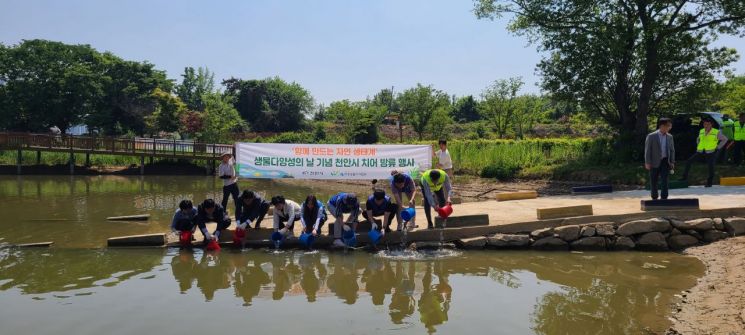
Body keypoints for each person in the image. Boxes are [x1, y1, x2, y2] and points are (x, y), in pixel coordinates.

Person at [680, 118, 728, 187]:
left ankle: (709, 182)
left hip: (711, 151)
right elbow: (698, 138)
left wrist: (718, 147)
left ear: (711, 124)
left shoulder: (716, 132)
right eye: (705, 124)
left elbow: (725, 139)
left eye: (708, 124)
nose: (706, 125)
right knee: (689, 161)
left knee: (710, 167)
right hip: (700, 151)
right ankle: (684, 177)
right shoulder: (701, 130)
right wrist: (698, 145)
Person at [644, 118, 675, 200]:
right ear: (662, 126)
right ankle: (654, 197)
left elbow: (672, 150)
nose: (669, 127)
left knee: (665, 180)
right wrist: (647, 162)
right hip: (654, 161)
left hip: (665, 161)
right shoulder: (651, 136)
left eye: (670, 126)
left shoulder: (670, 137)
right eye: (668, 126)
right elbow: (647, 150)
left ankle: (664, 197)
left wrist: (672, 161)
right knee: (654, 180)